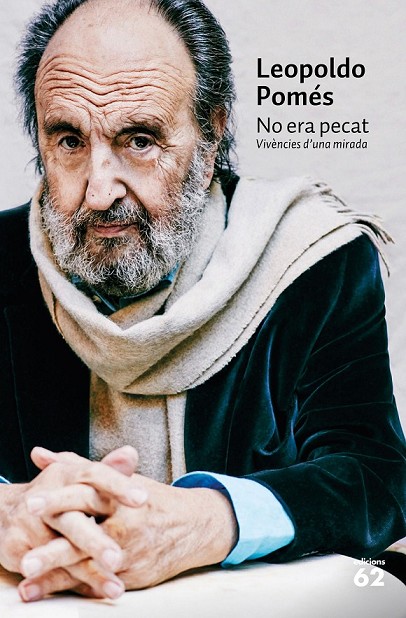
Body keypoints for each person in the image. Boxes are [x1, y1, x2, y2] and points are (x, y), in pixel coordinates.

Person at [0, 0, 405, 604]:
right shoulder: (5, 260)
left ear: (211, 135)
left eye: (140, 140)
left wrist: (205, 521)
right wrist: (8, 511)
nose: (100, 191)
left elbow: (376, 474)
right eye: (69, 140)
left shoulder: (311, 258)